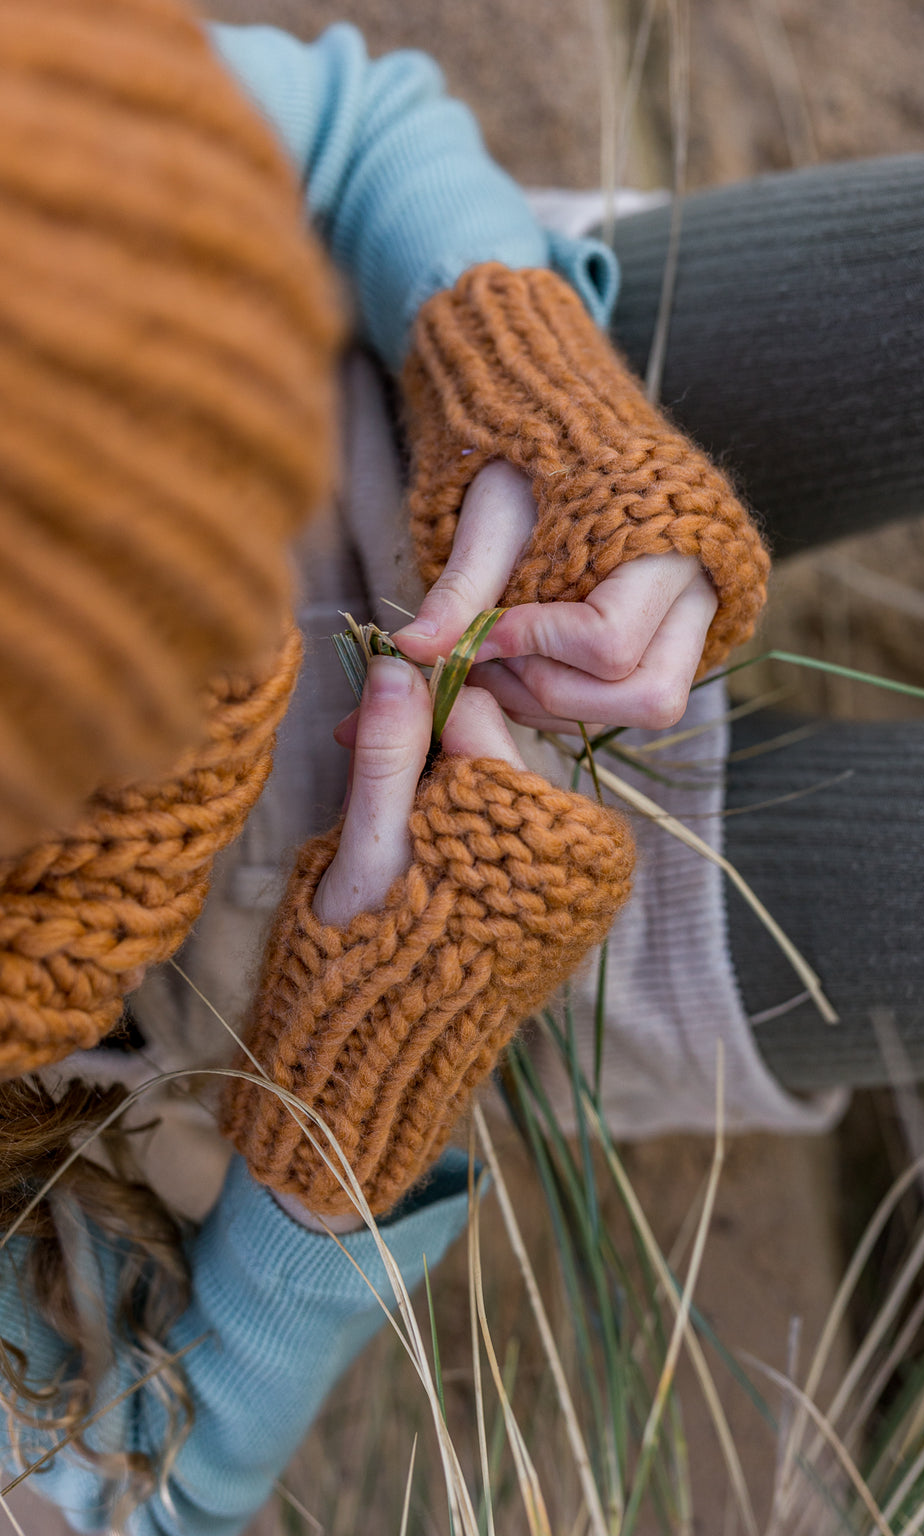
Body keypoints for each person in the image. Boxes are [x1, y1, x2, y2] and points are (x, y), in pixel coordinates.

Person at [0, 3, 767, 1531]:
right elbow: (117, 1498)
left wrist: (527, 380)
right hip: (539, 959)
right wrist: (351, 1094)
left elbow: (338, 125)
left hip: (445, 382)